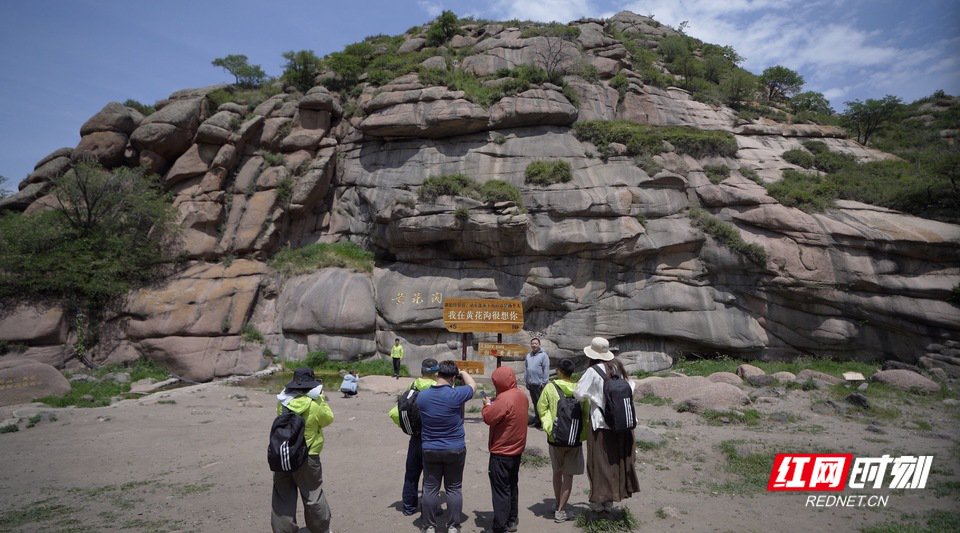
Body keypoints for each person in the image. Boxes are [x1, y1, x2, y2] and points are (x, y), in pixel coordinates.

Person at [573, 337, 639, 515]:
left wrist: (594, 397)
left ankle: (598, 501)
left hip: (601, 424)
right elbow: (631, 386)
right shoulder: (618, 367)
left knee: (599, 463)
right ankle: (610, 501)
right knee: (615, 462)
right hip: (622, 424)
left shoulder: (593, 371)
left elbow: (578, 393)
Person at [416, 360, 477, 533]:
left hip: (430, 448)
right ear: (453, 378)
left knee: (429, 488)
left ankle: (428, 526)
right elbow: (473, 385)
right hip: (455, 448)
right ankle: (452, 526)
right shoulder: (457, 394)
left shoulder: (423, 396)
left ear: (437, 374)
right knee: (454, 488)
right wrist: (463, 373)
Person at [272, 367, 335, 533]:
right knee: (312, 495)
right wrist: (321, 398)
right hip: (308, 456)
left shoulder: (282, 403)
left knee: (282, 496)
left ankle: (283, 530)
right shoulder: (314, 405)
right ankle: (320, 529)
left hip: (283, 455)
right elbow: (328, 418)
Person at [536, 357, 588, 523]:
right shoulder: (580, 389)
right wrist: (582, 434)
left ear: (559, 371)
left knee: (556, 472)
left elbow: (541, 408)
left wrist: (548, 426)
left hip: (555, 438)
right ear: (572, 373)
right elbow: (586, 413)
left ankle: (558, 503)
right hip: (574, 439)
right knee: (569, 476)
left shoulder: (550, 388)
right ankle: (561, 510)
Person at [388, 358, 439, 516]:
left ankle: (409, 507)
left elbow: (395, 412)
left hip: (415, 437)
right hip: (432, 438)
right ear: (436, 373)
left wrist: (408, 427)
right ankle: (429, 508)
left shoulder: (414, 385)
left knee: (411, 473)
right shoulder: (438, 387)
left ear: (422, 372)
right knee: (431, 476)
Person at [481, 366, 528, 533]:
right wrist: (495, 401)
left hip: (501, 452)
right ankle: (511, 520)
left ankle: (499, 526)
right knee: (511, 486)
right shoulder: (521, 395)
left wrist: (487, 405)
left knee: (500, 490)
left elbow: (489, 418)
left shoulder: (504, 399)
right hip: (516, 450)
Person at [524, 337, 550, 429]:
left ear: (539, 345)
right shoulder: (528, 355)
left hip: (540, 384)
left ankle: (544, 423)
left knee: (542, 405)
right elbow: (526, 369)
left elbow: (546, 369)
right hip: (531, 384)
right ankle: (538, 421)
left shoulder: (543, 355)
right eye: (532, 344)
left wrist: (544, 382)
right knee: (535, 404)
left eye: (536, 343)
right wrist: (526, 381)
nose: (534, 345)